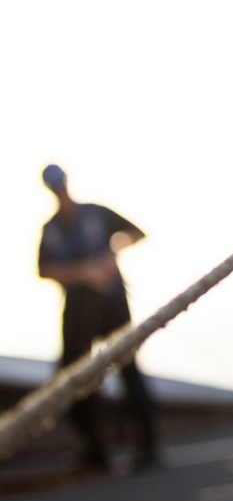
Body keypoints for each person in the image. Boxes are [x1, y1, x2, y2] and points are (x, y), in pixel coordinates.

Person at [38, 164, 158, 471]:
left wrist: (111, 254)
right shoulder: (51, 230)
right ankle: (96, 449)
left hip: (112, 303)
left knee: (129, 370)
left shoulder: (97, 214)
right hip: (78, 311)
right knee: (73, 376)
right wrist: (82, 273)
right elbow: (44, 269)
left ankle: (149, 449)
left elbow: (135, 233)